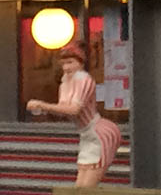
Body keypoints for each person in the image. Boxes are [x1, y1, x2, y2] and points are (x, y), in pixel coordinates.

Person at [26, 41, 121, 187]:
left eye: (70, 62)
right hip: (85, 135)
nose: (66, 67)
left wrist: (44, 105)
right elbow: (63, 109)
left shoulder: (84, 80)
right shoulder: (65, 83)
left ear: (80, 63)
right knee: (79, 187)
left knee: (87, 187)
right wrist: (44, 109)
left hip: (99, 133)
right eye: (63, 63)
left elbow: (74, 110)